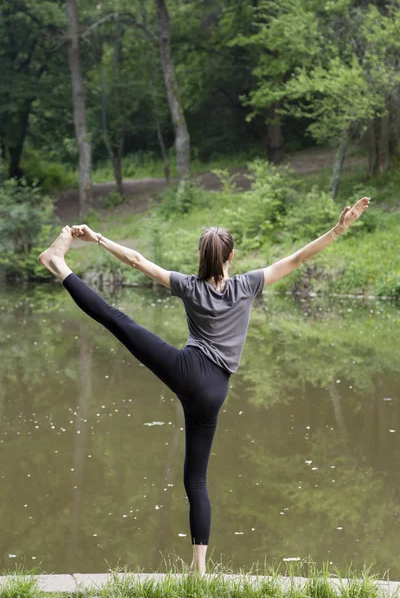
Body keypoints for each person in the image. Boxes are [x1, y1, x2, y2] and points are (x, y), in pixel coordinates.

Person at [38, 196, 370, 574]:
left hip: (187, 369)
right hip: (214, 395)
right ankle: (199, 569)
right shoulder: (248, 285)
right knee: (196, 479)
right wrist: (338, 229)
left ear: (202, 256)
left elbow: (137, 261)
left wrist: (99, 238)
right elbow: (296, 259)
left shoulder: (188, 287)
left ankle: (58, 264)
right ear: (231, 257)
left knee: (118, 322)